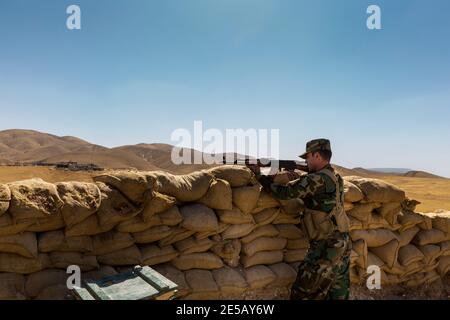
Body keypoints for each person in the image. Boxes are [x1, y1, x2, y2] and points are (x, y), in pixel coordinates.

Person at [249, 139, 352, 300]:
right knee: (337, 291)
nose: (305, 161)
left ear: (316, 155)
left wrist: (259, 176)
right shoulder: (335, 176)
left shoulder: (317, 179)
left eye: (308, 157)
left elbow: (284, 192)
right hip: (343, 239)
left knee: (303, 291)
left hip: (326, 244)